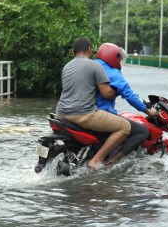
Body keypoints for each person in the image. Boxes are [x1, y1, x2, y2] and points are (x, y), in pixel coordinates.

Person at [55, 37, 132, 169]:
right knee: (125, 126)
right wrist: (119, 90)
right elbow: (106, 93)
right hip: (83, 114)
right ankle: (96, 160)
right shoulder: (95, 65)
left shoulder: (67, 66)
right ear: (89, 50)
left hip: (61, 112)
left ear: (73, 52)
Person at [94, 43, 155, 165]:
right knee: (142, 131)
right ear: (113, 57)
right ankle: (113, 160)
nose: (120, 62)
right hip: (102, 114)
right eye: (119, 59)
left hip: (81, 111)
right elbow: (129, 95)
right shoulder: (112, 72)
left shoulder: (91, 65)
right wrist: (148, 110)